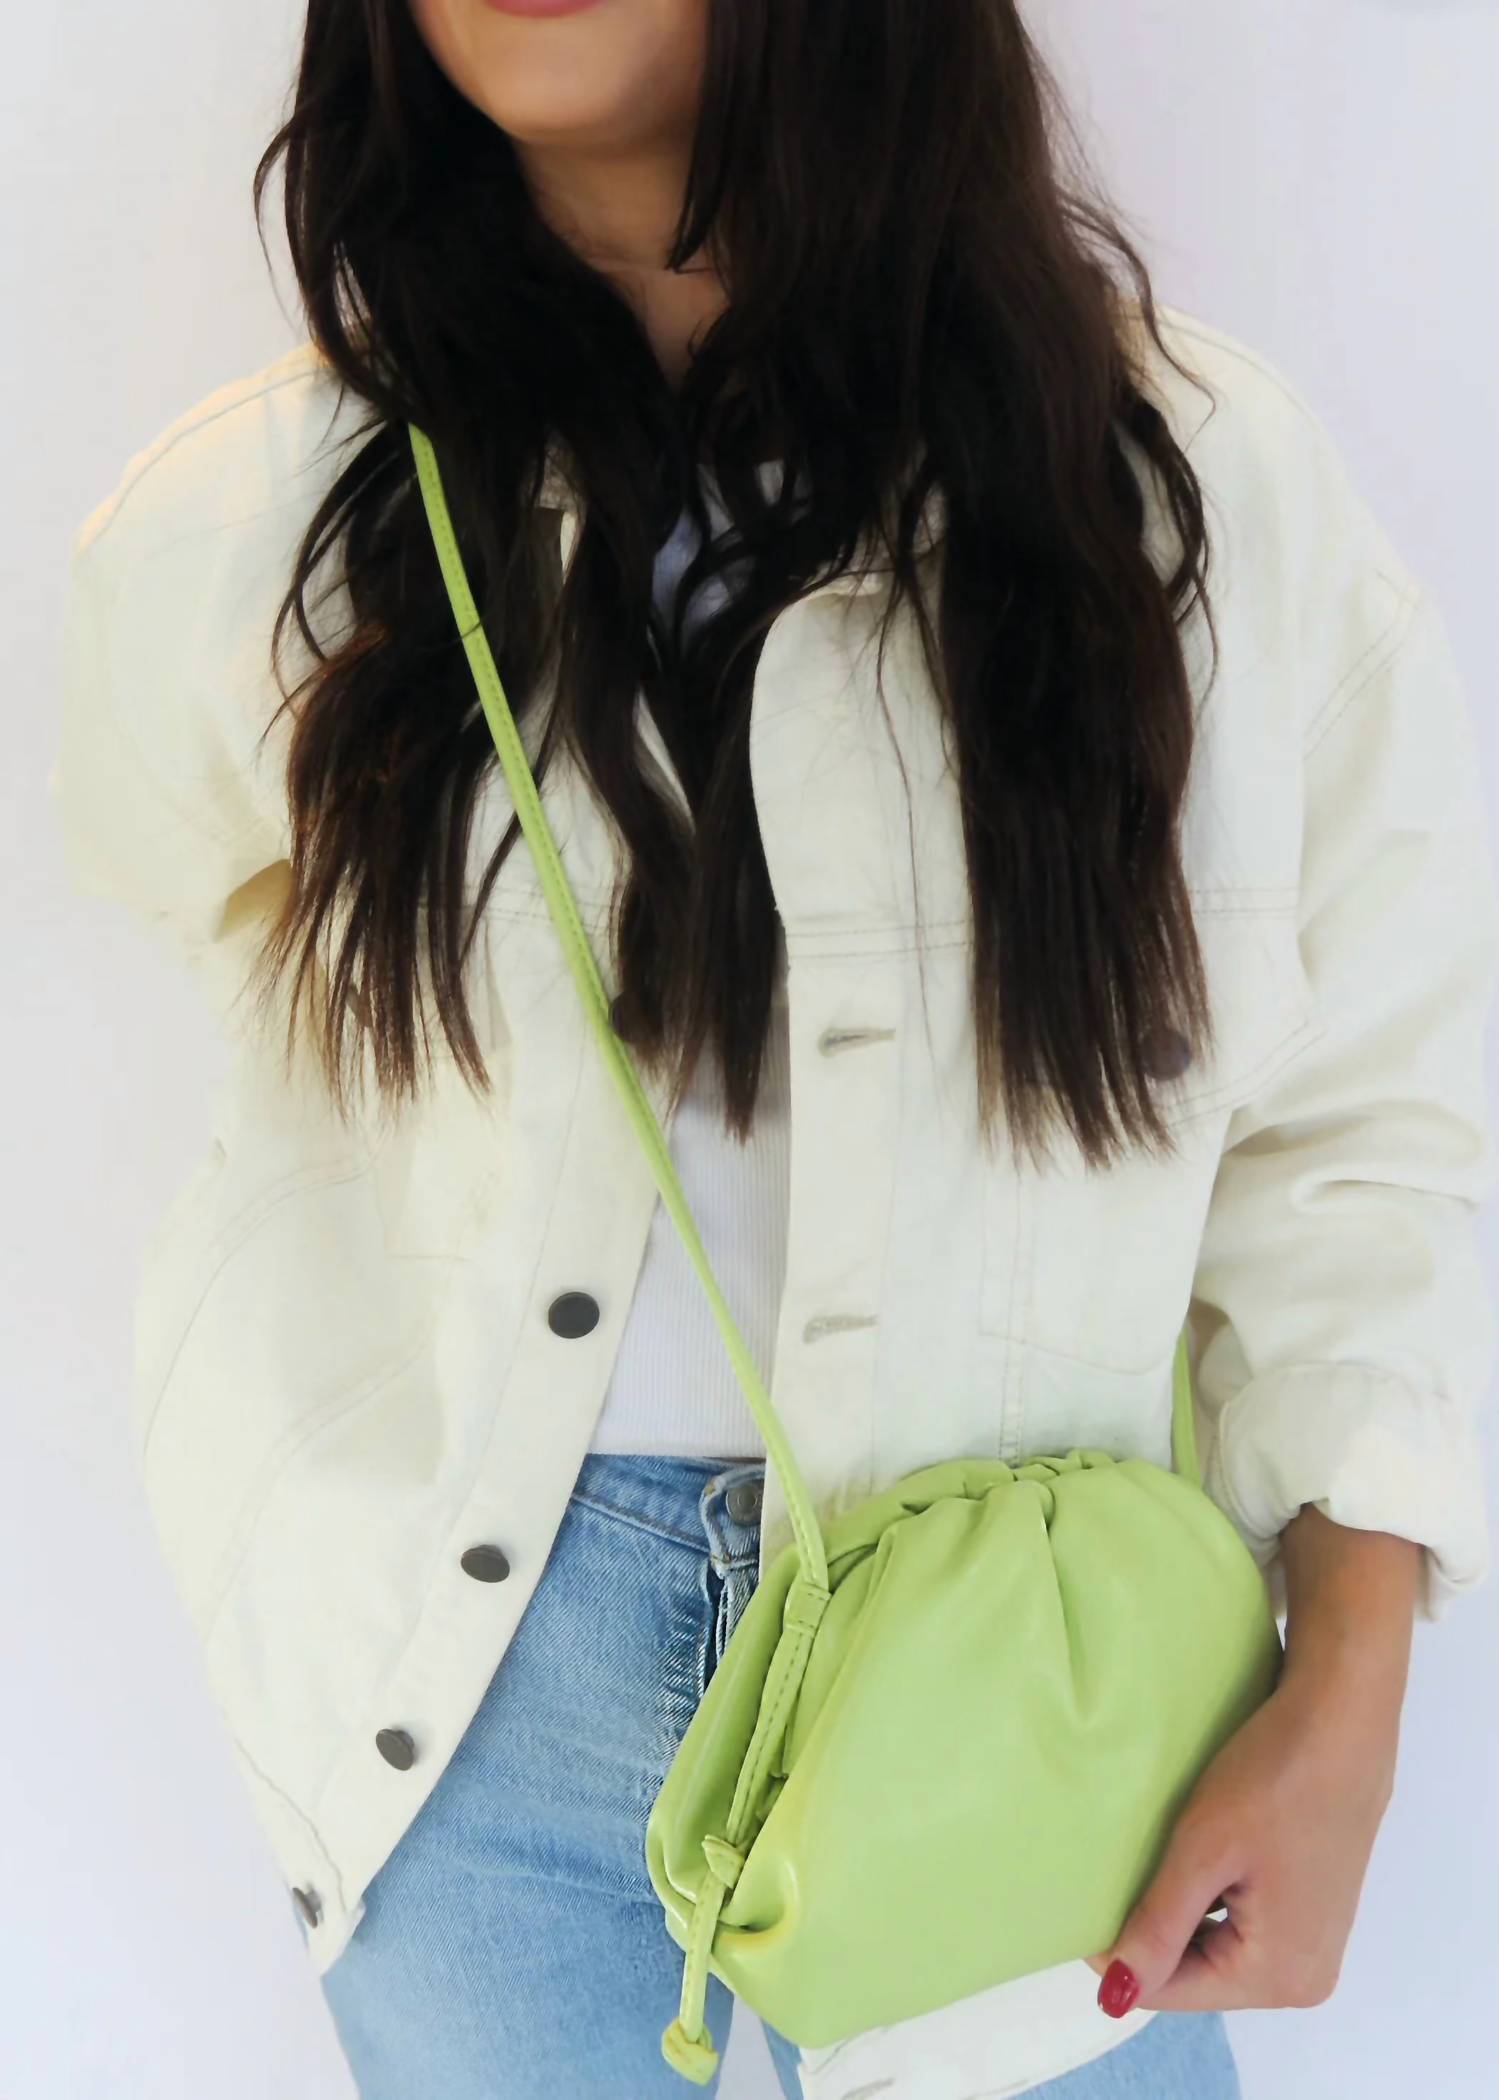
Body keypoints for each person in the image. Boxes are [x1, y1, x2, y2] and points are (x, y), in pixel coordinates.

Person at [48, 2, 1497, 2096]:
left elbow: (1360, 1125)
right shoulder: (250, 530)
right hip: (468, 1709)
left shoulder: (1186, 495)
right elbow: (239, 1010)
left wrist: (1349, 1684)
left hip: (1037, 1691)